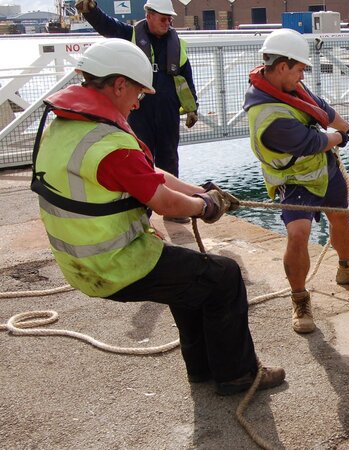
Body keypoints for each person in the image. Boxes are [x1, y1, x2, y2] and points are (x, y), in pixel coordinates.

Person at [30, 39, 284, 396]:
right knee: (224, 276)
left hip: (79, 259)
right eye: (138, 92)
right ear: (119, 84)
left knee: (191, 283)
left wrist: (201, 191)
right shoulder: (109, 145)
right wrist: (205, 207)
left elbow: (149, 175)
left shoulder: (64, 127)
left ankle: (202, 370)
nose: (138, 103)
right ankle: (238, 375)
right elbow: (163, 202)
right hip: (113, 263)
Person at [243, 28, 349, 335]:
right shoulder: (268, 116)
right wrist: (341, 137)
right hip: (295, 179)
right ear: (282, 67)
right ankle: (300, 299)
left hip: (324, 168)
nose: (302, 75)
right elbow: (312, 142)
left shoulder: (289, 86)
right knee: (298, 234)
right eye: (300, 69)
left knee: (340, 217)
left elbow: (321, 109)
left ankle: (347, 269)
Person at [76, 0, 199, 223]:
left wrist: (193, 108)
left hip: (168, 110)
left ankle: (174, 210)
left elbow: (186, 78)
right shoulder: (130, 35)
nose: (167, 23)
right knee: (141, 160)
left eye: (170, 19)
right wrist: (91, 11)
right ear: (149, 15)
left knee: (170, 157)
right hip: (139, 109)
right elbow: (107, 26)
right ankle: (143, 213)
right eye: (163, 18)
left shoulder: (177, 44)